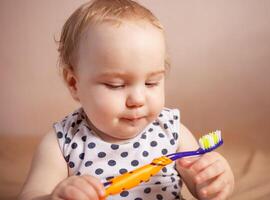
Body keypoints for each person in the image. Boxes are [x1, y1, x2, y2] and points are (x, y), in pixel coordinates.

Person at [19, 0, 234, 199]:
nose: (138, 100)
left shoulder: (171, 130)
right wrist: (54, 197)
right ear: (75, 84)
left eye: (151, 83)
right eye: (116, 85)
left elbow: (202, 185)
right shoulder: (63, 142)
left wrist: (216, 181)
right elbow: (31, 194)